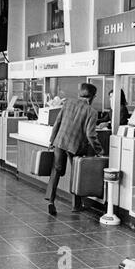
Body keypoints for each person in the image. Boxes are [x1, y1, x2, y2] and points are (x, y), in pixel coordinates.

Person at [46, 83, 104, 216]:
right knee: (76, 173)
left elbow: (57, 123)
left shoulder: (67, 103)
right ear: (93, 97)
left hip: (60, 141)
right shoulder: (91, 112)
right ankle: (76, 205)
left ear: (80, 94)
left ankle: (50, 201)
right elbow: (90, 135)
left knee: (56, 171)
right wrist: (99, 150)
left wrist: (51, 141)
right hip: (76, 145)